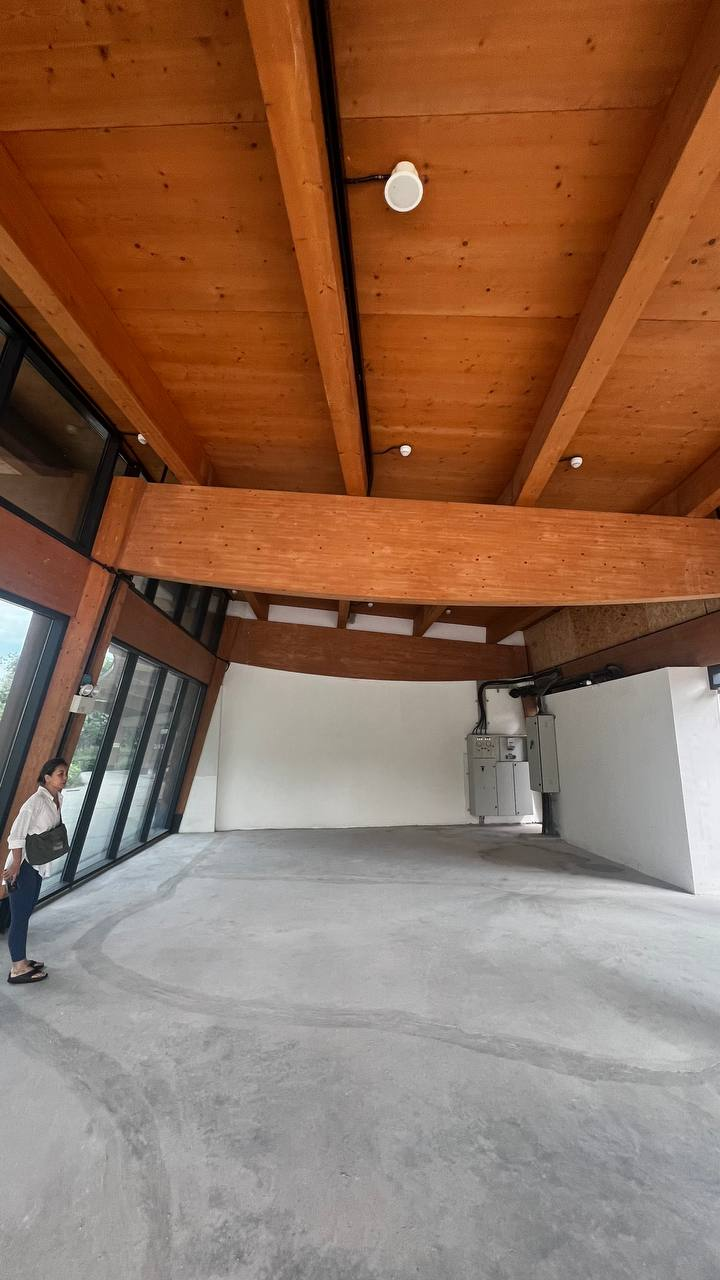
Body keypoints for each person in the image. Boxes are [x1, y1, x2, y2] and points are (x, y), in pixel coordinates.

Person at [3, 757, 68, 985]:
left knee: (26, 912)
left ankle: (21, 959)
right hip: (23, 866)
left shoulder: (57, 798)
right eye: (60, 774)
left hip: (37, 865)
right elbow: (16, 835)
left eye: (65, 773)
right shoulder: (35, 802)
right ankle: (17, 968)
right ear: (47, 777)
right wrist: (15, 866)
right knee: (20, 917)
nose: (65, 778)